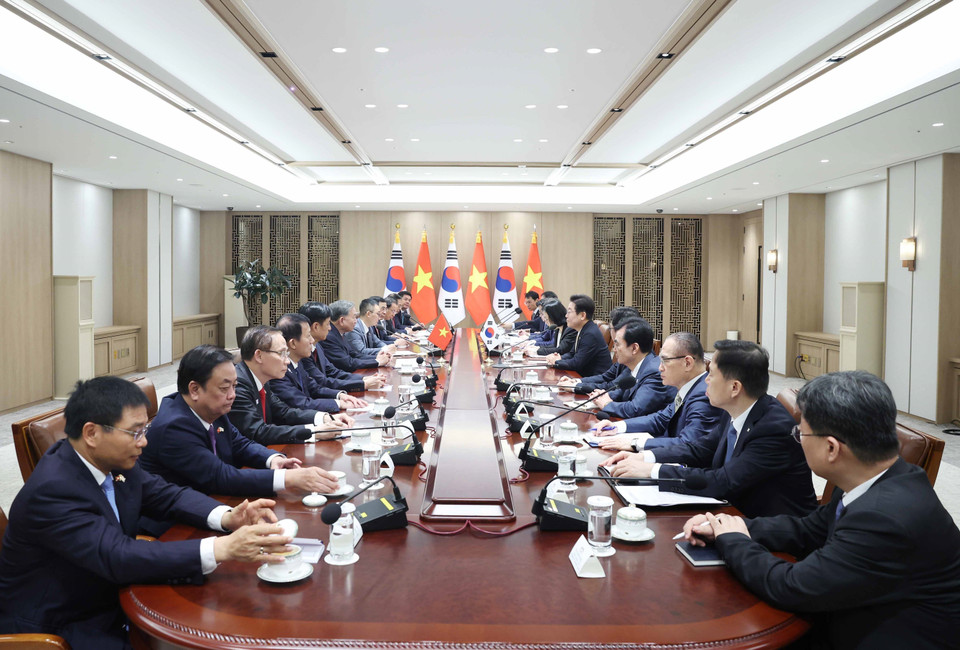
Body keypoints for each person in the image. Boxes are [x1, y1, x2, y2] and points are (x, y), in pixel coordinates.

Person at [0, 376, 291, 650]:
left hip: (110, 593)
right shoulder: (53, 490)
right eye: (135, 432)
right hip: (67, 624)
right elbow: (117, 555)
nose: (144, 442)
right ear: (91, 433)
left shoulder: (112, 461)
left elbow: (167, 495)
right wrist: (222, 547)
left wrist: (228, 517)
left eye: (144, 430)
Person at [682, 371, 960, 648]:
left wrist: (734, 541)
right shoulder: (870, 476)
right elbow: (809, 529)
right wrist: (728, 527)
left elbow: (792, 587)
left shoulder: (883, 517)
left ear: (831, 448)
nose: (798, 439)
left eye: (800, 433)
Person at [601, 340, 816, 517]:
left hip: (769, 531)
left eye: (711, 374)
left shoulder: (772, 428)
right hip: (732, 512)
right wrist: (645, 457)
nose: (706, 380)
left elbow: (724, 481)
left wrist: (653, 471)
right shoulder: (736, 409)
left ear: (734, 387)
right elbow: (699, 449)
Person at [594, 331, 724, 450]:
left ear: (688, 363)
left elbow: (687, 444)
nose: (660, 368)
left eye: (665, 361)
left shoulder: (703, 396)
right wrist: (617, 426)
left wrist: (635, 443)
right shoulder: (689, 387)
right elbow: (660, 419)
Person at [229, 326, 352, 445]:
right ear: (259, 356)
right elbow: (258, 431)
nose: (287, 361)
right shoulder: (237, 385)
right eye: (281, 353)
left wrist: (324, 418)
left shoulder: (261, 379)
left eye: (286, 353)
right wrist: (314, 432)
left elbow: (283, 412)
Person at [272, 313, 367, 413]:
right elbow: (301, 403)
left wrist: (340, 395)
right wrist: (337, 403)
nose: (312, 340)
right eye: (308, 336)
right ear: (293, 343)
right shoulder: (279, 371)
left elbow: (314, 388)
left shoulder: (297, 363)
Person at [588, 318, 675, 419]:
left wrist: (607, 404)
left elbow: (635, 409)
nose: (614, 349)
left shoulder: (654, 372)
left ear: (634, 348)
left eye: (617, 344)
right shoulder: (637, 364)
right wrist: (604, 395)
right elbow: (623, 392)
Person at [298, 302, 386, 393]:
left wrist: (363, 378)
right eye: (328, 324)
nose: (330, 328)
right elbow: (321, 382)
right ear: (316, 326)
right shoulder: (304, 350)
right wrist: (363, 384)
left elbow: (332, 371)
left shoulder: (318, 345)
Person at [545, 294, 612, 377]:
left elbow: (576, 364)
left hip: (595, 380)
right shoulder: (583, 329)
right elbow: (572, 354)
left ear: (582, 315)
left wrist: (556, 361)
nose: (566, 316)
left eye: (569, 312)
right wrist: (560, 357)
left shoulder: (590, 334)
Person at [320, 300, 392, 372]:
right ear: (342, 320)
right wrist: (377, 362)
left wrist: (377, 357)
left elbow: (355, 355)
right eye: (354, 317)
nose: (356, 321)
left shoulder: (340, 333)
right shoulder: (329, 337)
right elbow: (348, 363)